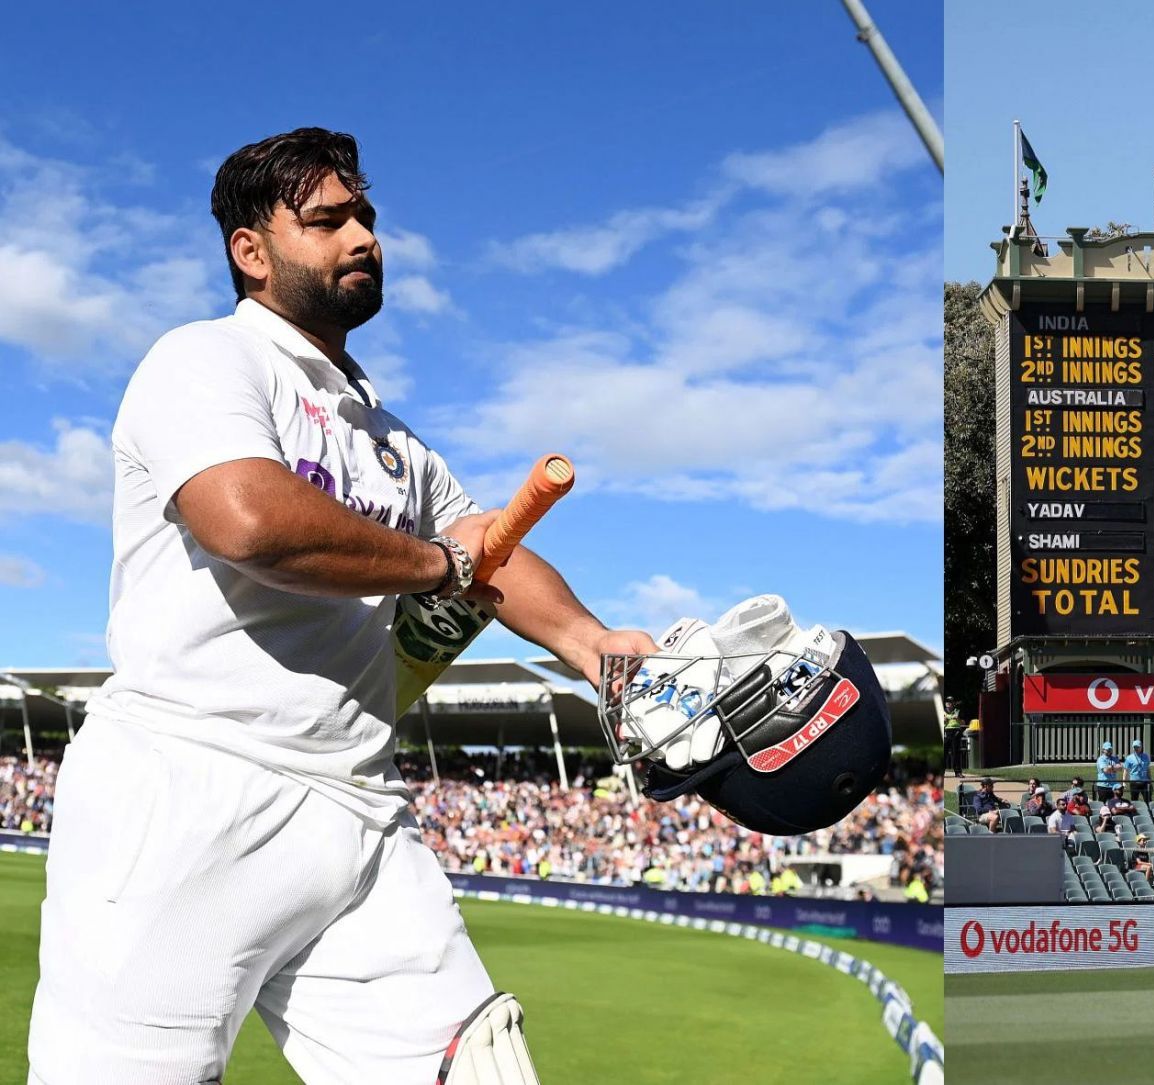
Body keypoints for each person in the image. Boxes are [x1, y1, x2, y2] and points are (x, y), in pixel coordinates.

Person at [25, 129, 679, 1084]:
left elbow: (485, 543)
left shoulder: (389, 438)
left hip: (358, 811)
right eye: (327, 220)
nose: (363, 236)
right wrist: (435, 564)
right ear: (252, 251)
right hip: (188, 797)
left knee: (482, 1070)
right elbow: (248, 519)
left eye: (365, 214)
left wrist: (590, 643)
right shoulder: (204, 361)